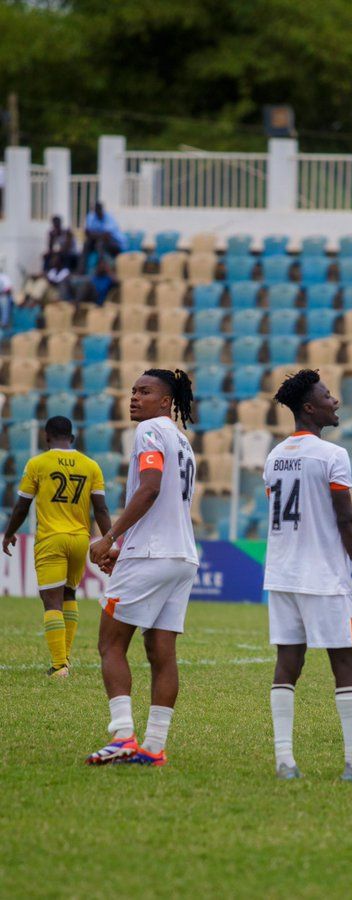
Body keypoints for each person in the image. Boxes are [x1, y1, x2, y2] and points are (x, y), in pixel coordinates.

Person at [263, 369, 352, 782]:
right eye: (328, 396)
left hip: (281, 574)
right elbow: (346, 520)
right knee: (346, 664)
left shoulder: (274, 456)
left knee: (287, 664)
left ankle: (285, 761)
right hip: (323, 577)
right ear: (310, 408)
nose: (335, 402)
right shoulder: (332, 455)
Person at [85, 369, 198, 767]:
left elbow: (149, 488)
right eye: (133, 390)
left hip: (150, 554)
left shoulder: (151, 430)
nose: (135, 397)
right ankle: (153, 746)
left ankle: (123, 737)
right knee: (161, 650)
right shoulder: (183, 441)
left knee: (110, 644)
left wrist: (110, 537)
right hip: (182, 557)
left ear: (166, 401)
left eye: (145, 391)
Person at [1, 416, 111, 677]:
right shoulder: (91, 465)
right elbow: (102, 509)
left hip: (51, 538)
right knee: (69, 595)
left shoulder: (38, 463)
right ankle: (65, 659)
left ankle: (59, 665)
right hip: (79, 539)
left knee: (51, 602)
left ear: (46, 437)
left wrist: (10, 533)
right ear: (71, 438)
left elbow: (22, 505)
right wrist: (109, 542)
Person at [81, 201, 126, 271]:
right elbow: (87, 233)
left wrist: (94, 234)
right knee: (86, 244)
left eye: (99, 210)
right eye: (95, 211)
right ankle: (82, 270)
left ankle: (100, 269)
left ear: (102, 209)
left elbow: (107, 236)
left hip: (117, 244)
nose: (97, 212)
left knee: (100, 244)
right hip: (101, 241)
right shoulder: (92, 217)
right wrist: (98, 234)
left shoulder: (109, 218)